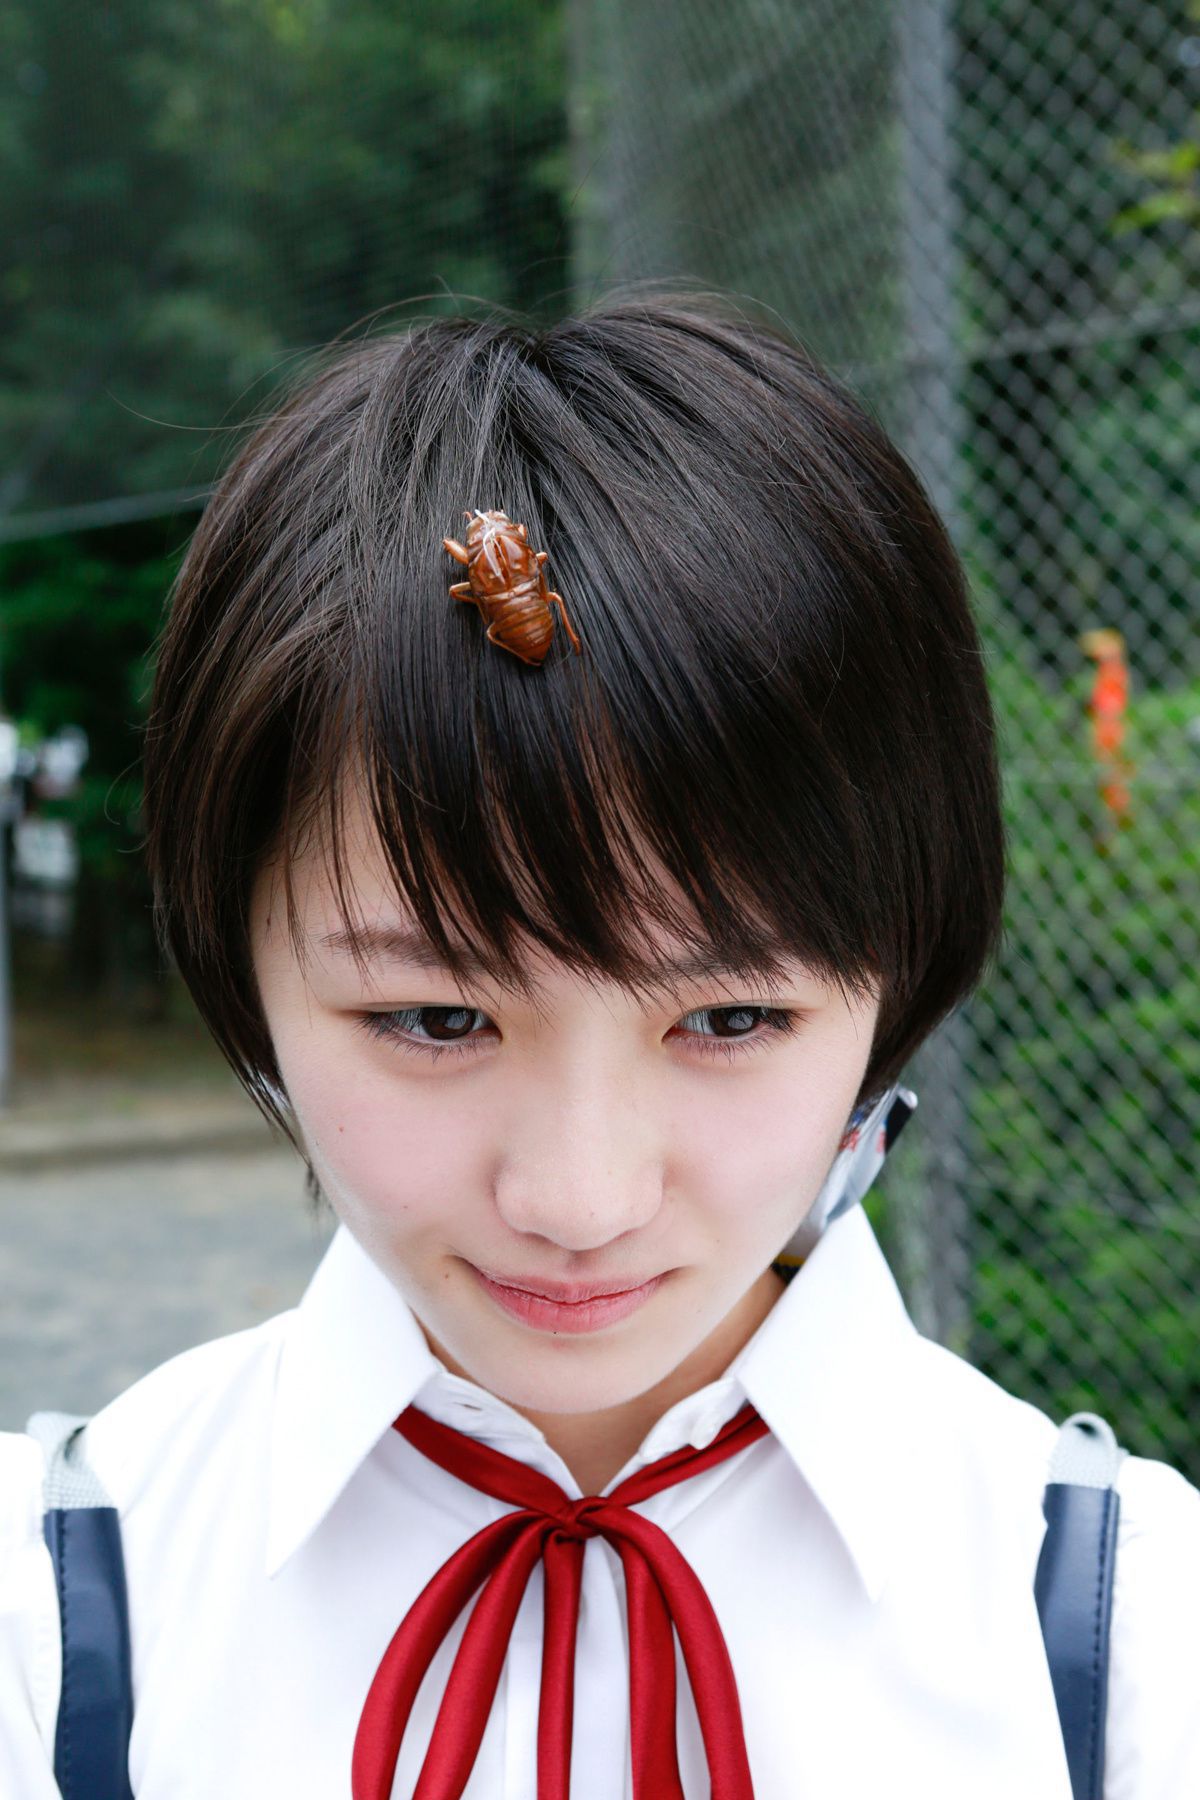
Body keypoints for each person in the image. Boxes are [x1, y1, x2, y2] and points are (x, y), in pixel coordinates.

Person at [2, 286, 1197, 1798]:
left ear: (902, 975)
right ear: (238, 963)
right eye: (435, 1018)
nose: (579, 1200)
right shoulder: (51, 1611)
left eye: (730, 1017)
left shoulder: (1129, 1640)